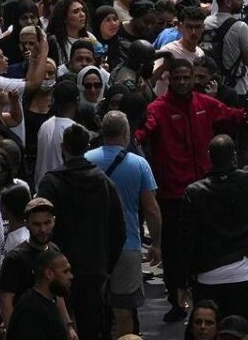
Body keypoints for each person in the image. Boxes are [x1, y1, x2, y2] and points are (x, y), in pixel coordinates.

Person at [134, 58, 246, 322]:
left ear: (194, 77)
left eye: (187, 78)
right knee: (173, 251)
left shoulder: (205, 104)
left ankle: (205, 301)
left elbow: (232, 115)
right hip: (173, 195)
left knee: (207, 247)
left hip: (206, 191)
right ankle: (176, 298)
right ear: (169, 80)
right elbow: (143, 131)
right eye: (177, 78)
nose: (182, 83)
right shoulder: (157, 109)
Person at [181, 108, 248, 333]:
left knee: (207, 331)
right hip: (243, 272)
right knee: (240, 331)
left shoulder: (194, 192)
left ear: (210, 157)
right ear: (234, 155)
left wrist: (183, 280)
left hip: (207, 274)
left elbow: (187, 238)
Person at [36, 123, 126, 340]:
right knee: (91, 327)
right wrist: (106, 264)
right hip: (94, 268)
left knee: (57, 327)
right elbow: (119, 230)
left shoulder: (52, 182)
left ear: (62, 147)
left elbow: (41, 226)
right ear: (86, 147)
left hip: (58, 269)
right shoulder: (104, 183)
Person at [85, 110, 161, 340]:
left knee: (92, 308)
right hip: (127, 246)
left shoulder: (87, 160)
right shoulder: (139, 164)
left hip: (93, 247)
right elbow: (151, 209)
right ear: (126, 133)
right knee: (123, 309)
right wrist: (156, 243)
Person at [5, 249, 72, 340]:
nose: (71, 276)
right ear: (49, 274)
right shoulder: (31, 310)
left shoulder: (45, 303)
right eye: (65, 272)